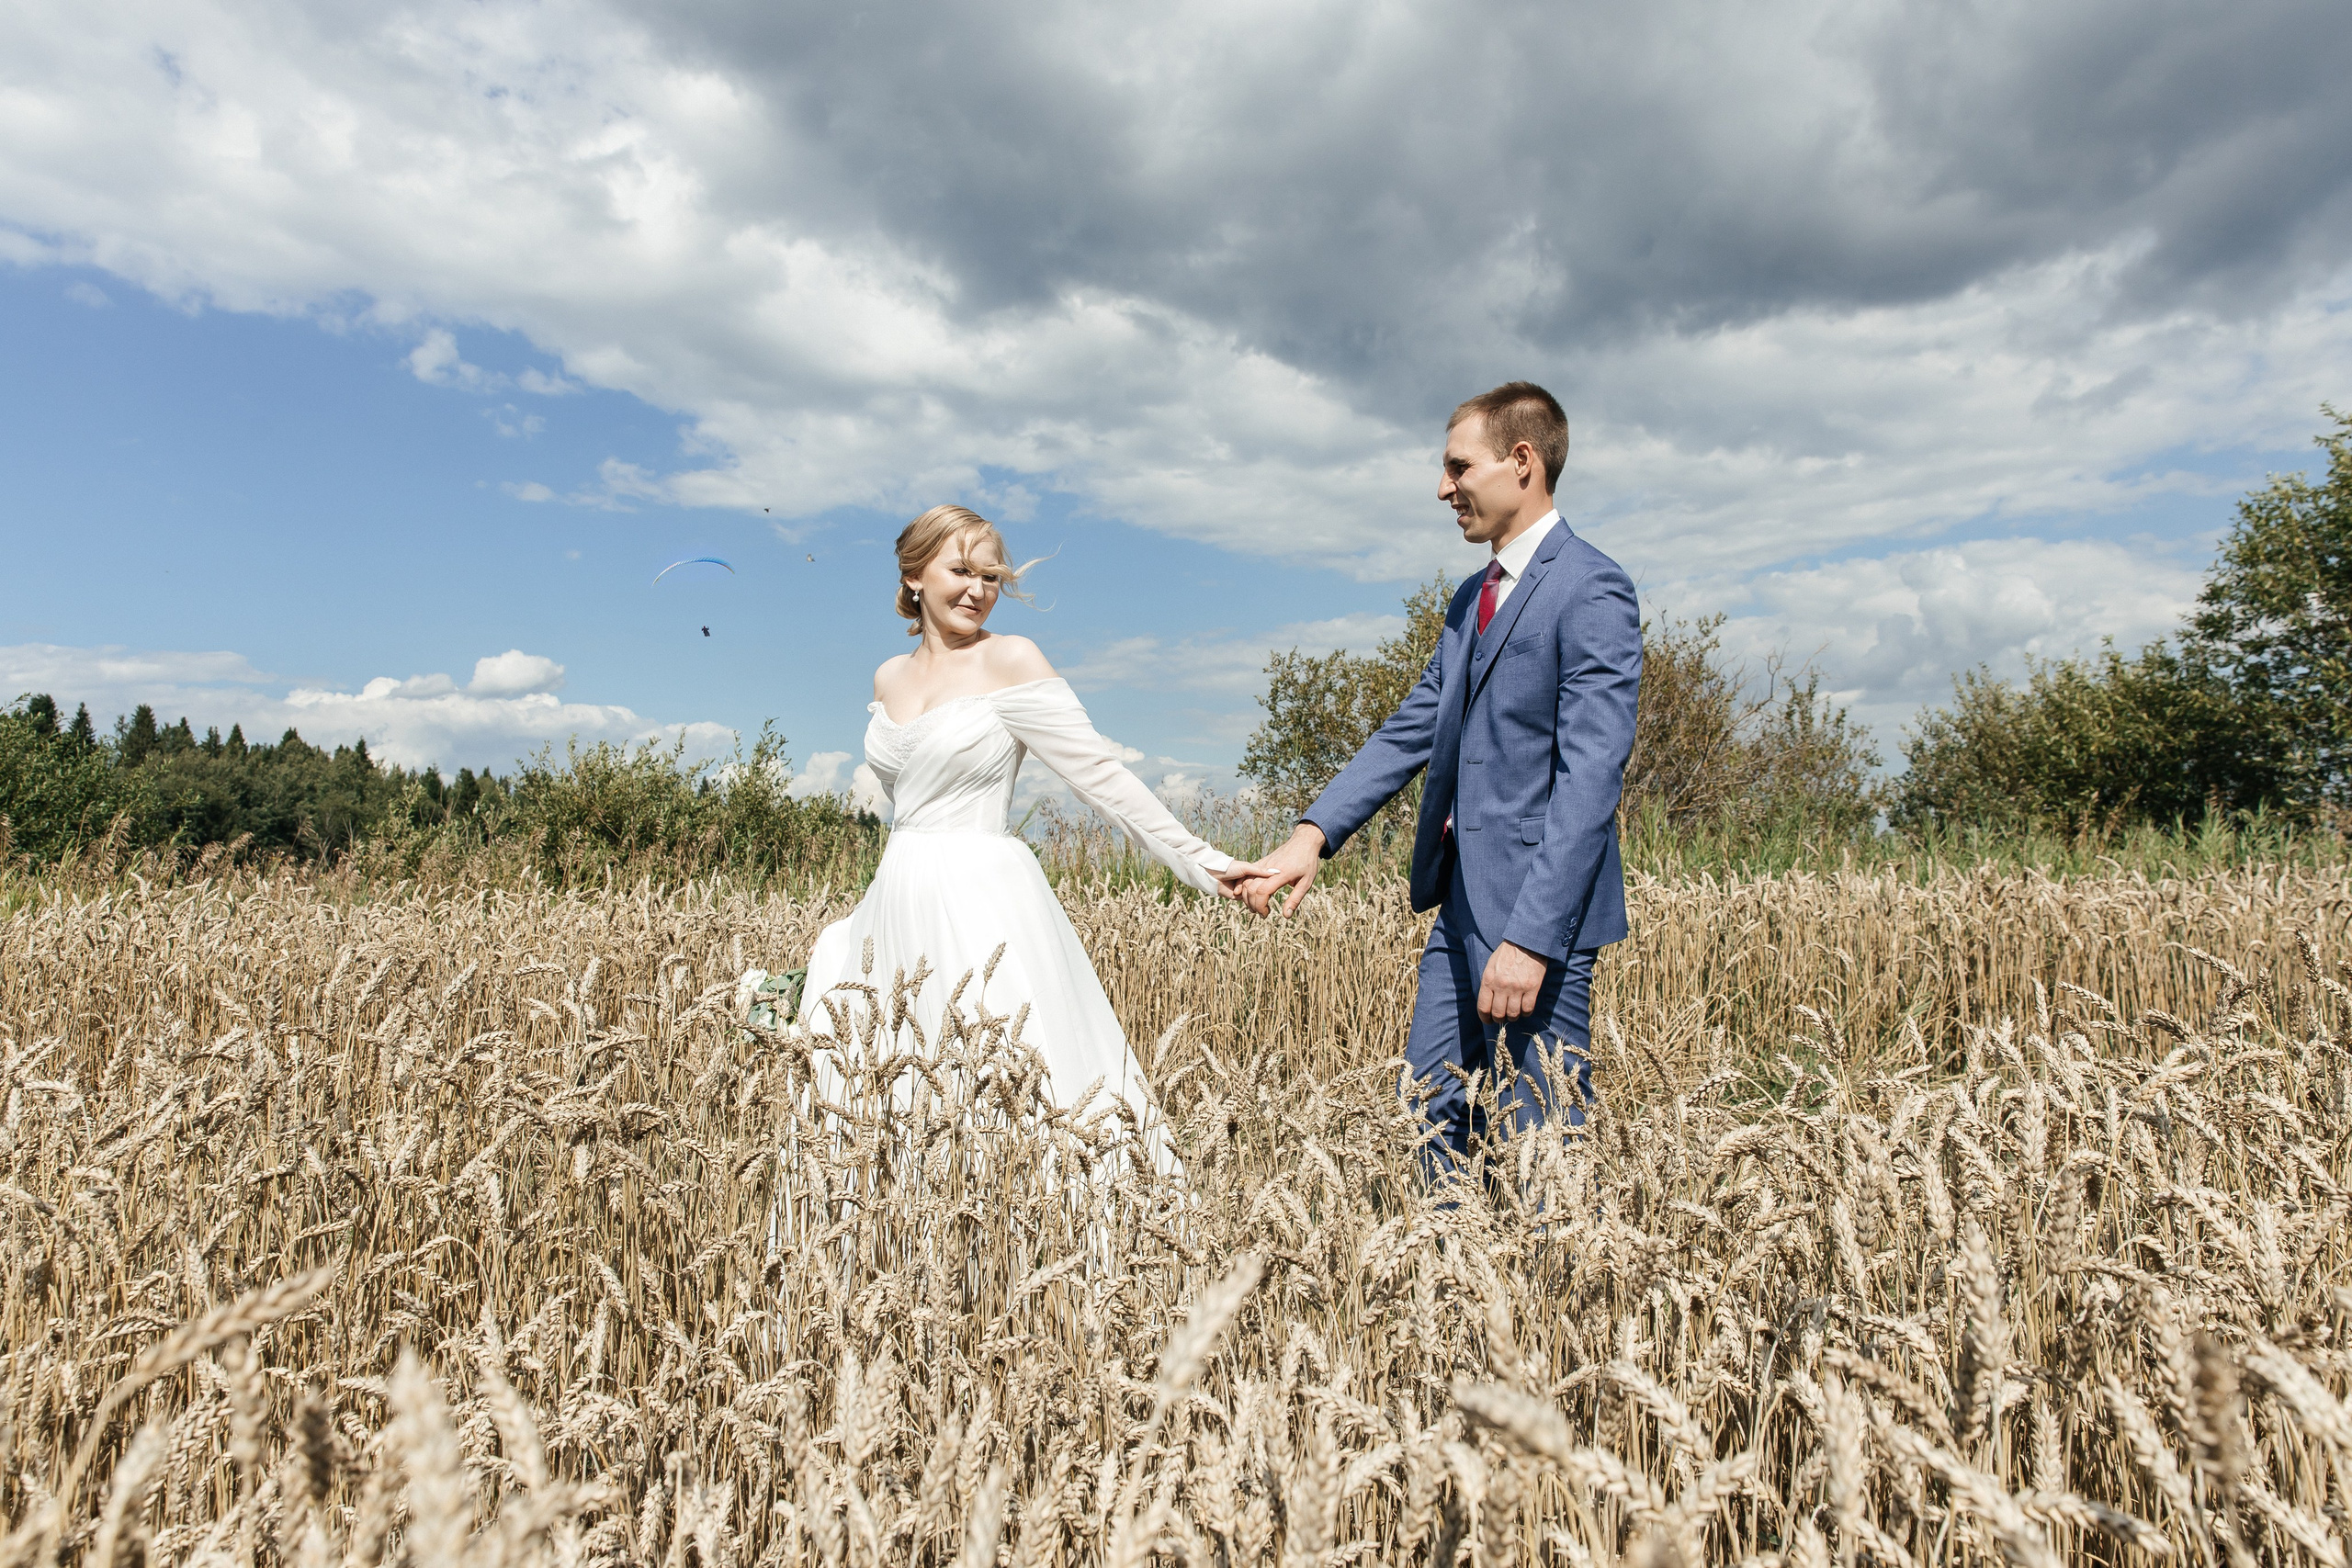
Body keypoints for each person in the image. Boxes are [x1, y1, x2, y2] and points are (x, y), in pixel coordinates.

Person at [1238, 382, 1640, 1179]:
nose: (1443, 486)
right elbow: (1414, 725)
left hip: (1539, 919)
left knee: (1541, 1143)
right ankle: (1449, 1291)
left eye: (1459, 465)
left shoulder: (1591, 586)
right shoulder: (1471, 598)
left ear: (1521, 462)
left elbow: (1591, 777)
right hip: (1458, 906)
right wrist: (1311, 836)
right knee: (1429, 1116)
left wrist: (1529, 939)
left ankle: (1543, 1297)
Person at [792, 504, 1261, 1170]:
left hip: (982, 903)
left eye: (991, 576)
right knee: (894, 1103)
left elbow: (1103, 777)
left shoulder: (1011, 659)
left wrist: (1210, 865)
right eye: (961, 570)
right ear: (914, 574)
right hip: (896, 903)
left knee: (1014, 1100)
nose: (978, 590)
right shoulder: (887, 677)